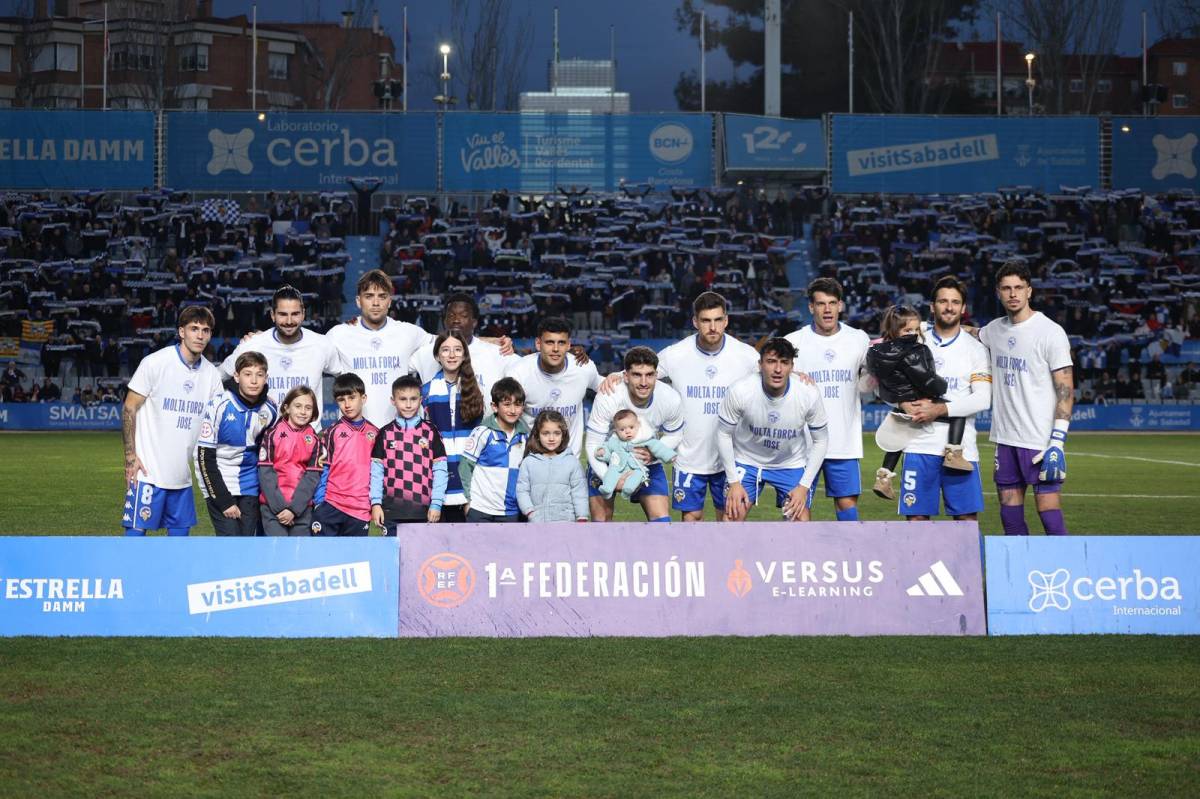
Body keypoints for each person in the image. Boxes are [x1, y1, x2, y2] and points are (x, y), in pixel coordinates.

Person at [602, 292, 760, 521]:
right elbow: (644, 371)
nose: (712, 327)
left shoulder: (745, 355)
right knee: (691, 518)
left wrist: (798, 376)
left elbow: (774, 373)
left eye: (718, 320)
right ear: (695, 322)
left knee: (730, 520)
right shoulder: (676, 354)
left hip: (731, 458)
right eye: (705, 320)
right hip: (689, 457)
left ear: (726, 320)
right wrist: (616, 375)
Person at [978, 260, 1074, 536]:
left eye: (1019, 287)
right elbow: (970, 333)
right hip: (1005, 439)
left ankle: (1065, 564)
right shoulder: (994, 330)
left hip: (1039, 441)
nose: (1013, 293)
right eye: (1006, 288)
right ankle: (1019, 565)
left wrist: (1057, 442)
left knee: (1048, 512)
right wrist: (928, 328)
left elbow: (1066, 390)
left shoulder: (1050, 332)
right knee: (1009, 514)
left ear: (1029, 291)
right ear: (998, 292)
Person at [892, 276, 992, 521]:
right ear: (932, 306)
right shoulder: (913, 341)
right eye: (943, 301)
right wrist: (903, 402)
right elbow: (885, 384)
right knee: (916, 522)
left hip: (961, 450)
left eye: (955, 302)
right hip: (918, 445)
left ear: (963, 308)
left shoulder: (976, 349)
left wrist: (937, 409)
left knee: (966, 521)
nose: (949, 307)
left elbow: (982, 399)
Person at [121, 306, 224, 536]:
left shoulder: (211, 375)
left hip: (181, 478)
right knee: (133, 542)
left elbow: (216, 424)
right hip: (147, 474)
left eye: (205, 330)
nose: (200, 335)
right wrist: (130, 458)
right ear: (181, 332)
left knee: (179, 547)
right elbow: (129, 408)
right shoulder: (155, 363)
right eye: (194, 329)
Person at [866, 305, 973, 501]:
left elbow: (878, 385)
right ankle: (953, 454)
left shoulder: (876, 352)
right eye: (908, 330)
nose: (914, 333)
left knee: (898, 440)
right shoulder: (915, 351)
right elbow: (928, 380)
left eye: (916, 329)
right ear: (895, 329)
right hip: (921, 399)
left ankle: (883, 477)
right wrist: (941, 387)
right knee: (957, 412)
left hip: (902, 403)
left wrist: (900, 401)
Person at [785, 277, 870, 521]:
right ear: (811, 307)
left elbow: (870, 378)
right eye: (821, 304)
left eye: (832, 303)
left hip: (844, 442)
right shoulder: (793, 342)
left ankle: (848, 548)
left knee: (847, 508)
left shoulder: (859, 339)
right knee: (796, 511)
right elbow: (770, 376)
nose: (827, 309)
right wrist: (792, 375)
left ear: (840, 305)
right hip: (802, 445)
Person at [718, 338, 829, 522]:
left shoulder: (808, 393)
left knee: (801, 522)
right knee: (731, 519)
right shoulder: (741, 390)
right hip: (747, 461)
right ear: (760, 365)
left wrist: (803, 487)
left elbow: (821, 440)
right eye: (771, 361)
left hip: (790, 464)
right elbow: (723, 434)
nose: (778, 369)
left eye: (784, 362)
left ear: (792, 366)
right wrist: (734, 482)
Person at [585, 346, 685, 523]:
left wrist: (653, 453)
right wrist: (608, 478)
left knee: (662, 522)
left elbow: (675, 435)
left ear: (657, 375)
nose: (644, 382)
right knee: (600, 523)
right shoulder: (609, 394)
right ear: (625, 376)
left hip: (644, 461)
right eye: (637, 375)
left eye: (650, 375)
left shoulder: (670, 398)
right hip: (609, 459)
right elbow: (593, 444)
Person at [326, 269, 436, 427]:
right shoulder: (339, 334)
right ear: (358, 301)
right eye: (369, 296)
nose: (376, 303)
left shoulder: (408, 332)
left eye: (382, 296)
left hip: (400, 431)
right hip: (354, 432)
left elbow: (448, 344)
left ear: (389, 301)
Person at [222, 285, 344, 427]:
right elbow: (218, 377)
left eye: (295, 314)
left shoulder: (321, 344)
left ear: (303, 314)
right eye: (283, 314)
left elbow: (346, 376)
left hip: (309, 438)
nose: (289, 321)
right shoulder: (253, 345)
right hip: (265, 437)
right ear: (272, 315)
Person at [195, 351, 278, 536]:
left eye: (259, 375)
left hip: (250, 485)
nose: (254, 381)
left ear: (266, 378)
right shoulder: (219, 405)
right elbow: (204, 458)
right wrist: (224, 501)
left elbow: (268, 454)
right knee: (231, 540)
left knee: (246, 542)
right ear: (236, 376)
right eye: (247, 374)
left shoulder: (271, 409)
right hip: (220, 482)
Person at [504, 316, 602, 456]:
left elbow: (608, 386)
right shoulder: (519, 373)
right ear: (538, 344)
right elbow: (504, 415)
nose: (555, 349)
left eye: (561, 343)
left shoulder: (582, 367)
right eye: (549, 342)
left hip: (570, 460)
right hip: (530, 459)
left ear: (569, 345)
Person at [370, 374, 447, 535]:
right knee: (391, 551)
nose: (408, 404)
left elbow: (440, 470)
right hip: (390, 512)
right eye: (403, 399)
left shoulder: (431, 431)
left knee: (422, 552)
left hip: (424, 512)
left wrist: (436, 503)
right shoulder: (385, 433)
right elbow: (376, 472)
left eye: (413, 399)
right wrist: (376, 503)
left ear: (421, 400)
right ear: (393, 401)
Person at [422, 332, 486, 523]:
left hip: (469, 477)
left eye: (457, 350)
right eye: (445, 350)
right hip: (437, 478)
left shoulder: (476, 390)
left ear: (464, 355)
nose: (451, 355)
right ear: (437, 356)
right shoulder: (426, 391)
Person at [409, 293, 519, 401]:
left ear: (474, 322)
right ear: (444, 321)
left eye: (463, 316)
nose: (456, 320)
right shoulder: (425, 352)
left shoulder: (497, 353)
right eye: (451, 315)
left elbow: (525, 372)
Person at [311, 373, 378, 536]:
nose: (347, 404)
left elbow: (378, 473)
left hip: (360, 510)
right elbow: (323, 469)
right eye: (341, 400)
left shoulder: (376, 433)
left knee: (355, 553)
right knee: (320, 552)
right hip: (332, 504)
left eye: (352, 398)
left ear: (363, 398)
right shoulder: (330, 432)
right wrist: (320, 503)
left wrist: (375, 503)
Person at [459, 377, 529, 523]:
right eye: (507, 404)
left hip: (510, 511)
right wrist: (467, 501)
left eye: (517, 404)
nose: (513, 410)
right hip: (480, 509)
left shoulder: (526, 437)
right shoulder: (482, 432)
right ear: (495, 406)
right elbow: (465, 467)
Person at [258, 385, 323, 537]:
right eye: (298, 406)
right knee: (277, 549)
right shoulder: (271, 434)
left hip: (301, 509)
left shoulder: (315, 440)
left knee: (299, 551)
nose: (303, 411)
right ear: (287, 408)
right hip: (273, 509)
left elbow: (312, 477)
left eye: (308, 408)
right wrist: (280, 508)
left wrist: (294, 509)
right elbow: (265, 473)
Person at [516, 409, 589, 523]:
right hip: (537, 524)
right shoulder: (528, 462)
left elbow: (579, 492)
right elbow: (522, 491)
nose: (551, 438)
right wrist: (530, 512)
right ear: (537, 435)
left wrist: (582, 517)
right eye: (546, 433)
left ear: (563, 435)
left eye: (557, 433)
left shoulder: (572, 462)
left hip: (566, 523)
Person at [594, 409, 677, 501]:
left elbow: (658, 447)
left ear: (638, 426)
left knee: (637, 476)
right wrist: (602, 452)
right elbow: (607, 450)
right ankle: (607, 488)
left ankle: (628, 489)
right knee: (611, 473)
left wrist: (669, 456)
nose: (627, 431)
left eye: (631, 427)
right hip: (618, 466)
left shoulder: (643, 440)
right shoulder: (614, 441)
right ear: (616, 431)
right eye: (622, 429)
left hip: (637, 467)